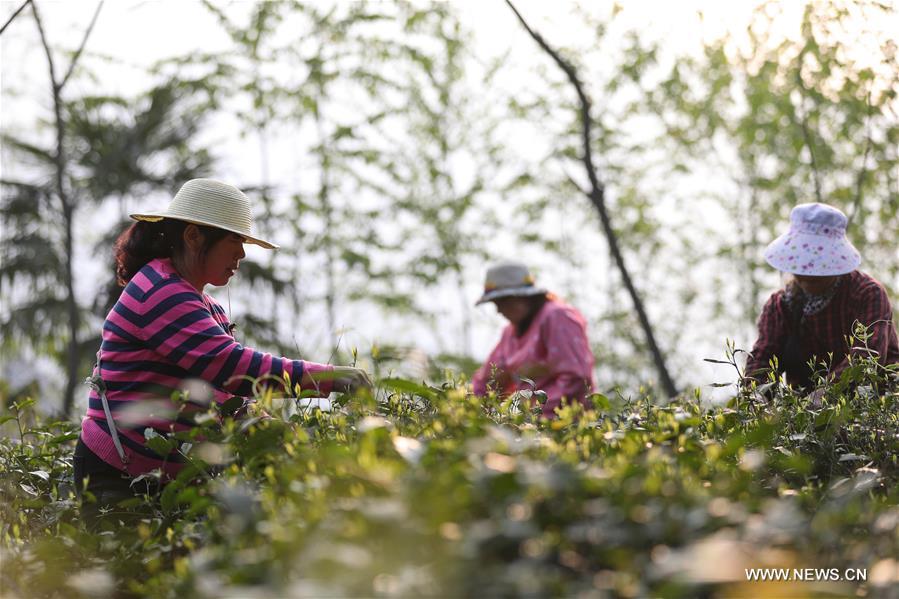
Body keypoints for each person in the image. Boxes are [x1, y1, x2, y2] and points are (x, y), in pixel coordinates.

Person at [74, 178, 371, 516]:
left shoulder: (203, 305)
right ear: (193, 236)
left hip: (163, 479)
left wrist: (291, 443)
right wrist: (331, 378)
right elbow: (234, 370)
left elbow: (227, 397)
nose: (241, 254)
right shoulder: (160, 290)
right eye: (234, 240)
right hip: (117, 476)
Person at [744, 202, 899, 393]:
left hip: (874, 403)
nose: (810, 274)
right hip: (804, 410)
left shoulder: (866, 295)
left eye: (819, 264)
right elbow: (763, 356)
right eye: (804, 263)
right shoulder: (780, 306)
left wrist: (826, 393)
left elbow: (867, 358)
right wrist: (754, 394)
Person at [471, 261, 595, 418]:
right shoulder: (510, 333)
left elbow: (575, 377)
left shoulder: (556, 316)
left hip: (566, 424)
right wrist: (471, 410)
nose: (499, 310)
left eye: (503, 301)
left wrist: (531, 417)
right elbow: (487, 380)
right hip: (528, 425)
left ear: (523, 297)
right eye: (496, 303)